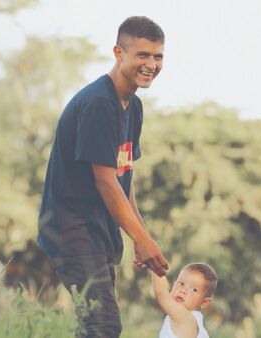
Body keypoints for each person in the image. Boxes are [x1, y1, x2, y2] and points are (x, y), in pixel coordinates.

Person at [37, 16, 169, 337]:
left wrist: (142, 235)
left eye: (158, 56)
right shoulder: (98, 103)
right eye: (142, 55)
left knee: (96, 326)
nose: (151, 64)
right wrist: (140, 239)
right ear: (118, 53)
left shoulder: (133, 106)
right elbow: (106, 182)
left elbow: (125, 177)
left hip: (98, 232)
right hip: (72, 229)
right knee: (103, 326)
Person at [152, 263, 217, 338]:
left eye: (194, 289)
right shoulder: (194, 320)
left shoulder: (185, 319)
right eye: (181, 284)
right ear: (174, 285)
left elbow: (161, 293)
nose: (183, 290)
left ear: (204, 303)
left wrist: (155, 264)